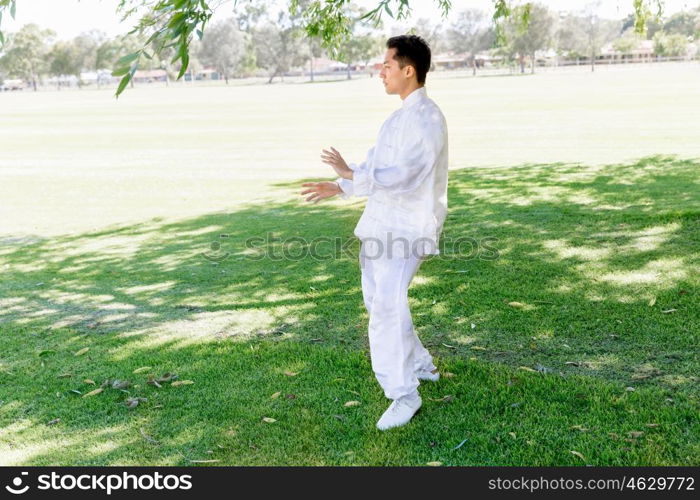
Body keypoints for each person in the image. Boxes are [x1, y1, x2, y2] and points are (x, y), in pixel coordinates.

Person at [301, 35, 449, 431]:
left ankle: (404, 393)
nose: (380, 71)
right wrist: (342, 185)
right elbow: (376, 164)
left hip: (407, 228)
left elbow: (407, 174)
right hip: (382, 223)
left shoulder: (427, 119)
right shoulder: (398, 117)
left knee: (385, 305)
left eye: (386, 65)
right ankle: (420, 364)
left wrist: (352, 175)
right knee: (379, 300)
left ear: (408, 70)